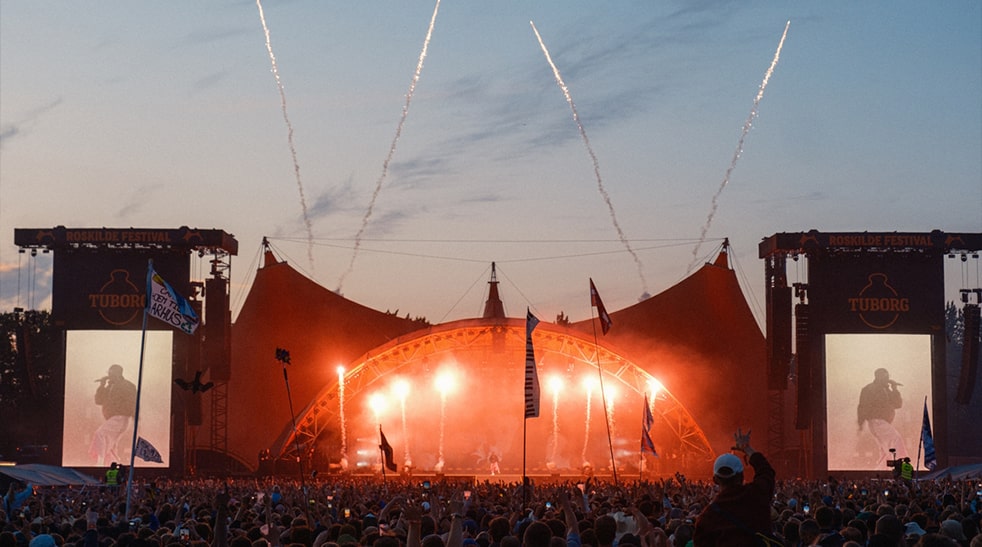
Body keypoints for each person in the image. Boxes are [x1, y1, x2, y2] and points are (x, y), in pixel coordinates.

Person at [693, 429, 776, 546]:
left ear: (715, 480)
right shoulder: (757, 494)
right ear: (742, 476)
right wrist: (747, 449)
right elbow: (766, 471)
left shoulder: (708, 518)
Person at [89, 364, 137, 466]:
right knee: (110, 444)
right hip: (114, 418)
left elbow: (132, 402)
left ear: (118, 373)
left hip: (120, 417)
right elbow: (98, 400)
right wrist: (102, 385)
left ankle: (100, 462)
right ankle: (114, 464)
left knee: (100, 434)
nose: (109, 376)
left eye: (111, 373)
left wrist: (132, 415)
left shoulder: (126, 386)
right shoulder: (110, 386)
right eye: (109, 373)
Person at [857, 368, 907, 464]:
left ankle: (883, 468)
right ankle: (901, 464)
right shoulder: (869, 389)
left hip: (883, 423)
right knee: (896, 439)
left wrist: (894, 389)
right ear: (878, 377)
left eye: (888, 376)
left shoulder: (886, 390)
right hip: (877, 421)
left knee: (886, 449)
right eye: (885, 376)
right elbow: (862, 406)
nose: (887, 379)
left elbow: (898, 404)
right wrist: (861, 423)